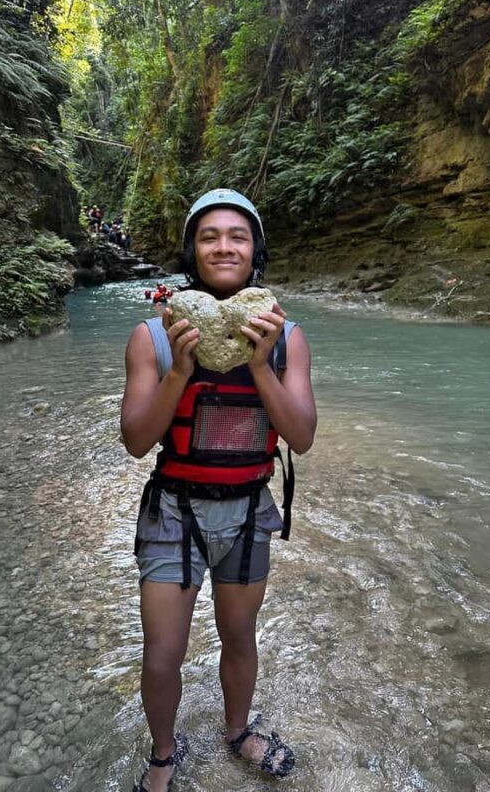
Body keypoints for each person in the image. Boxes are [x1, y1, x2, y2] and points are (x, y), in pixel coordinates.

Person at [120, 188, 317, 792]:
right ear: (193, 250)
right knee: (162, 653)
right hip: (174, 511)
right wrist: (181, 368)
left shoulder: (287, 338)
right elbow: (136, 440)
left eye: (238, 235)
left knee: (239, 636)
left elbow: (301, 436)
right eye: (210, 236)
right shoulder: (153, 337)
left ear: (255, 248)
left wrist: (260, 364)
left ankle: (237, 730)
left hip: (249, 509)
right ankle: (162, 751)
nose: (224, 246)